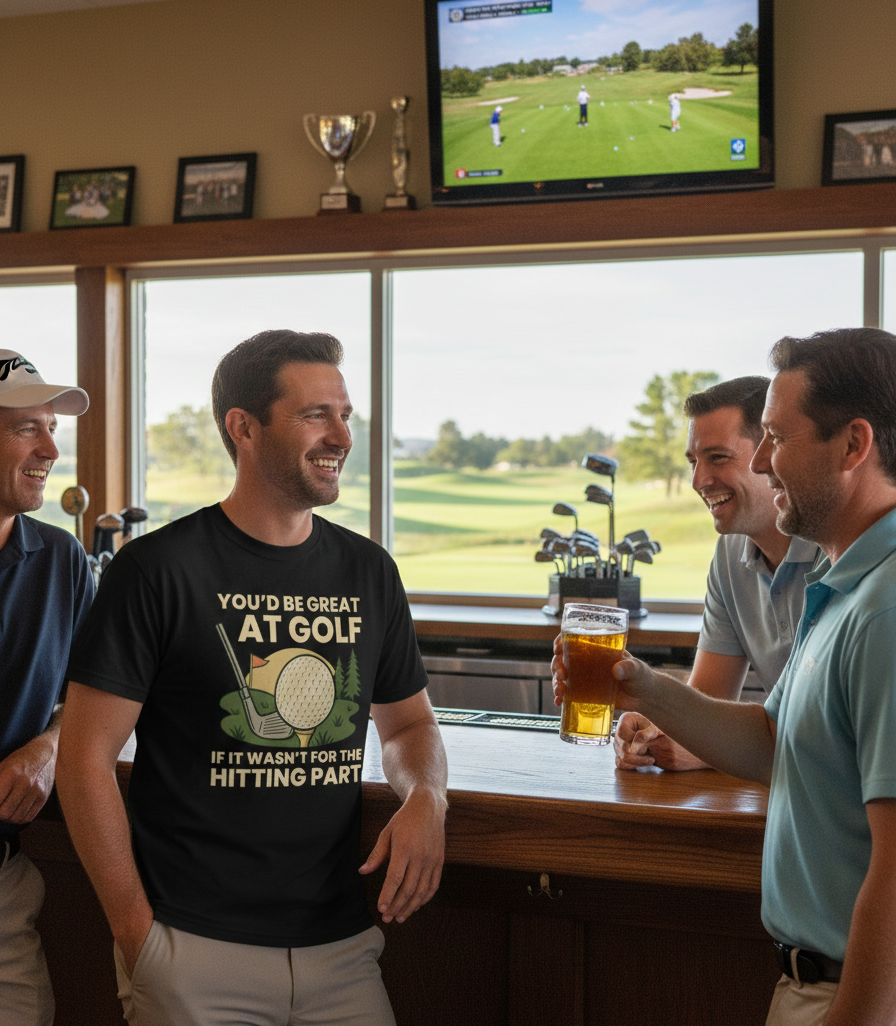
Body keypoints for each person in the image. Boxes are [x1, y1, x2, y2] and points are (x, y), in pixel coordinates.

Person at [56, 330, 448, 1026]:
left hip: (341, 947)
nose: (341, 437)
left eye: (345, 415)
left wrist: (427, 796)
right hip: (192, 948)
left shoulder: (368, 571)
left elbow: (410, 724)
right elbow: (84, 760)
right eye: (315, 415)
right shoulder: (156, 571)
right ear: (243, 428)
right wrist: (138, 937)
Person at [556, 327, 896, 1025]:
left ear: (853, 446)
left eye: (776, 438)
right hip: (810, 982)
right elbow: (772, 741)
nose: (763, 461)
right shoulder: (845, 582)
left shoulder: (886, 607)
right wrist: (641, 686)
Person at [612, 376, 820, 771]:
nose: (699, 481)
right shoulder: (729, 554)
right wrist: (658, 735)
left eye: (718, 457)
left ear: (770, 453)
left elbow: (830, 737)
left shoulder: (838, 549)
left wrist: (698, 740)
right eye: (694, 461)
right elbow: (706, 702)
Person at [0, 349, 91, 1026]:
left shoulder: (62, 560)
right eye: (26, 428)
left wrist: (51, 747)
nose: (51, 451)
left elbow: (97, 696)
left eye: (51, 429)